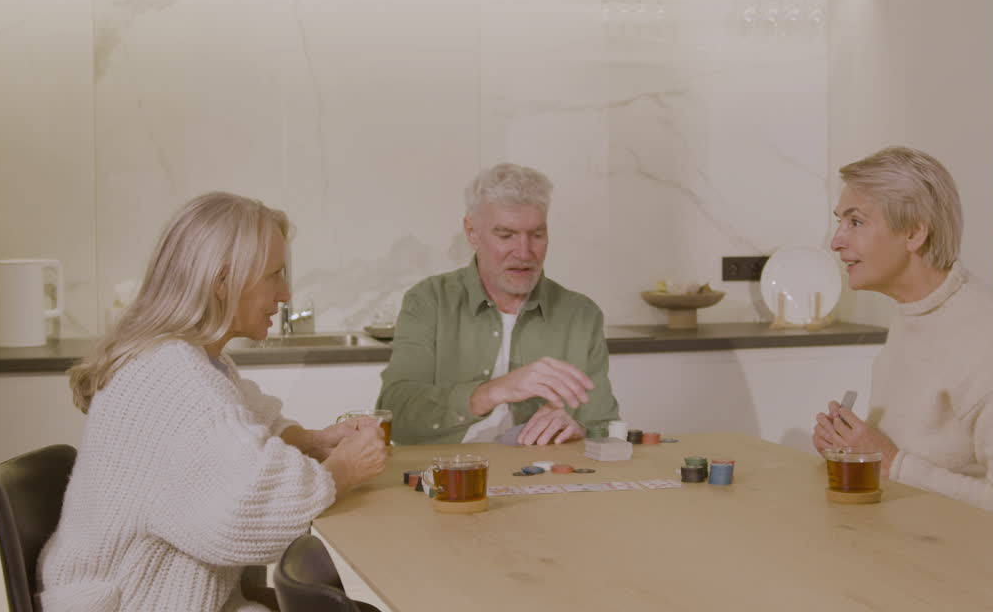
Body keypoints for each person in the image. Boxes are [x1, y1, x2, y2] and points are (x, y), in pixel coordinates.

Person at [38, 192, 388, 612]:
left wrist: (315, 441)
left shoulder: (190, 359)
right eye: (274, 275)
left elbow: (248, 427)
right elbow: (253, 511)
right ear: (222, 281)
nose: (284, 293)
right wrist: (343, 469)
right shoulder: (171, 379)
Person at [812, 147, 993, 529]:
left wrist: (889, 462)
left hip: (981, 558)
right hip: (910, 536)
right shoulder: (912, 313)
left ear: (914, 233)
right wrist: (853, 449)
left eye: (856, 222)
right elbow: (914, 457)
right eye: (841, 222)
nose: (835, 241)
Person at [378, 163, 620, 446]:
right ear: (472, 232)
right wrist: (491, 392)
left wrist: (578, 430)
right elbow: (396, 417)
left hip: (543, 471)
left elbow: (604, 429)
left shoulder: (581, 315)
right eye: (506, 235)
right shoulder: (429, 301)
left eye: (537, 235)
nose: (524, 252)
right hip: (447, 471)